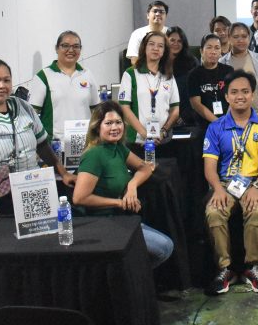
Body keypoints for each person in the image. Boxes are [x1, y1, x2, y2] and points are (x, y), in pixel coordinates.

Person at [0, 57, 76, 218]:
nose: (2, 86)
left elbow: (42, 145)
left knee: (38, 240)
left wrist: (64, 173)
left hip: (31, 189)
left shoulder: (23, 106)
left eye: (6, 80)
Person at [203, 70, 258, 295]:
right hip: (225, 183)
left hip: (256, 182)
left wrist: (257, 187)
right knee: (214, 212)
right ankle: (225, 269)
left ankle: (252, 267)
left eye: (245, 91)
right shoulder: (215, 127)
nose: (240, 96)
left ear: (253, 95)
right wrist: (217, 189)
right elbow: (209, 167)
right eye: (234, 92)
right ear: (226, 96)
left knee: (256, 210)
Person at [73, 103, 173, 268]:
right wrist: (119, 203)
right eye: (108, 123)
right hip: (101, 222)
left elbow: (145, 167)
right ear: (97, 127)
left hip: (121, 218)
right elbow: (79, 197)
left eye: (118, 122)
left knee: (167, 245)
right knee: (163, 248)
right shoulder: (94, 155)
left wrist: (132, 185)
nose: (115, 127)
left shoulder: (117, 147)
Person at [28, 31, 98, 139]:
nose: (71, 50)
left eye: (76, 46)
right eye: (65, 46)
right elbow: (31, 115)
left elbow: (96, 111)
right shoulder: (43, 76)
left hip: (85, 143)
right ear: (56, 48)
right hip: (55, 145)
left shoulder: (87, 74)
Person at [118, 32, 181, 145]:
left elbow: (175, 110)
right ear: (144, 47)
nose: (156, 48)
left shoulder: (168, 76)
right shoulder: (130, 73)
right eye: (151, 44)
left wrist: (163, 131)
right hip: (137, 140)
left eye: (160, 46)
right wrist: (145, 134)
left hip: (163, 140)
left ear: (164, 51)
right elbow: (124, 108)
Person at [220, 22, 258, 110]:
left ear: (249, 38)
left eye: (244, 36)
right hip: (231, 117)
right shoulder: (222, 62)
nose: (240, 40)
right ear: (229, 38)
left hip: (257, 116)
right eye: (236, 37)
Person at [187, 34, 233, 127]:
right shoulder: (194, 74)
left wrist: (226, 121)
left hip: (227, 122)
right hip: (204, 125)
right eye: (209, 47)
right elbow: (196, 104)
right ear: (201, 51)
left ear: (220, 52)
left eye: (217, 48)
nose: (213, 52)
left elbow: (233, 97)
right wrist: (217, 122)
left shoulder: (228, 71)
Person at [167, 27, 199, 128]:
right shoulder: (158, 62)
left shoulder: (192, 62)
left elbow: (196, 92)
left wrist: (183, 117)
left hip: (187, 116)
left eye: (179, 41)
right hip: (162, 117)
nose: (176, 43)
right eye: (172, 40)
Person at [126, 1, 169, 65]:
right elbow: (134, 60)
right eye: (155, 11)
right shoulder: (137, 34)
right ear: (148, 15)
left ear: (166, 16)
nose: (158, 14)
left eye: (161, 12)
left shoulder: (171, 33)